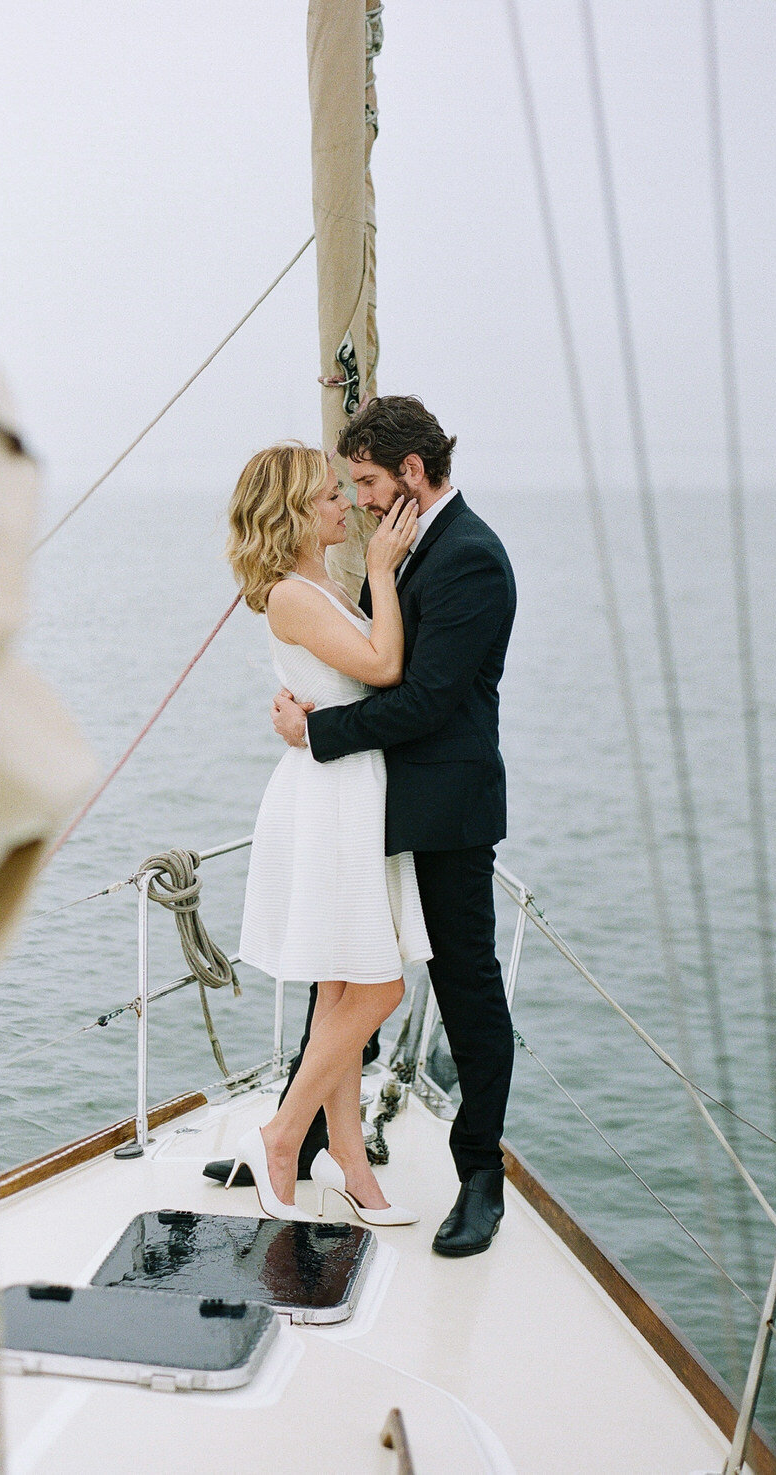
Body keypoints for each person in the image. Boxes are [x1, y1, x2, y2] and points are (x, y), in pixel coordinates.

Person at [270, 397, 517, 1258]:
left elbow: (420, 699)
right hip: (374, 802)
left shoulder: (473, 559)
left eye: (370, 480)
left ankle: (479, 1176)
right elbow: (367, 657)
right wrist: (304, 698)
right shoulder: (406, 548)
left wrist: (318, 732)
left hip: (444, 811)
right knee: (338, 977)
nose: (365, 498)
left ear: (413, 470)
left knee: (467, 988)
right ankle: (303, 1136)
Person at [220, 441, 430, 1225]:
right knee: (381, 984)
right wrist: (382, 567)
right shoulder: (289, 595)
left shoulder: (315, 585)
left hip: (347, 788)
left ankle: (348, 1163)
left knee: (343, 985)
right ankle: (280, 1135)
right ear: (298, 511)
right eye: (332, 497)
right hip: (330, 798)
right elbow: (382, 667)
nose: (347, 506)